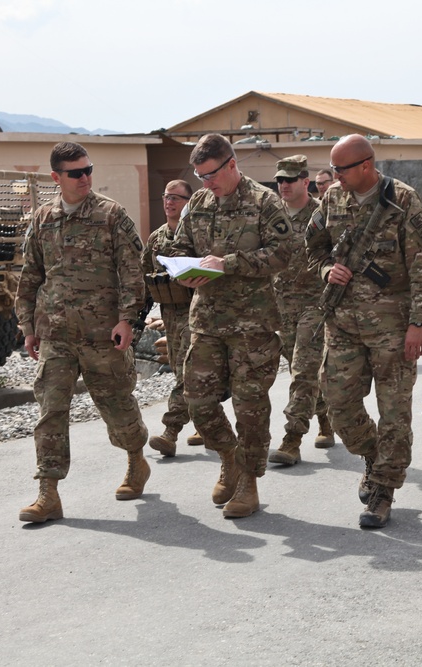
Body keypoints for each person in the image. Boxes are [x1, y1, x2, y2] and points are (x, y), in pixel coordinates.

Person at [305, 134, 422, 528]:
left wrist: (418, 324)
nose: (334, 177)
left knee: (394, 413)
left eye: (341, 169)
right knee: (338, 403)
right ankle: (374, 454)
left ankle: (382, 489)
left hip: (393, 328)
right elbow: (311, 248)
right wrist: (327, 269)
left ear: (366, 165)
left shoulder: (403, 201)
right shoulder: (331, 200)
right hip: (343, 323)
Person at [15, 141, 150, 523]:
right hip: (56, 335)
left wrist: (128, 319)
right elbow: (30, 276)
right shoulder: (43, 219)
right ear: (57, 178)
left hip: (102, 335)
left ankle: (136, 459)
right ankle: (48, 492)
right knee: (50, 411)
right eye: (76, 173)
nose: (86, 177)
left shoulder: (111, 215)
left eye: (89, 169)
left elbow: (132, 272)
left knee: (118, 409)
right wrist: (28, 326)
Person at [164, 133, 292, 518]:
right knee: (197, 400)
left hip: (251, 325)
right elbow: (177, 245)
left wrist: (230, 264)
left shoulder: (264, 202)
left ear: (232, 164)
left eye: (211, 175)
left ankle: (248, 482)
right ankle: (229, 457)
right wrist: (182, 270)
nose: (206, 184)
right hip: (206, 320)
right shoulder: (200, 202)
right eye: (200, 176)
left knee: (249, 406)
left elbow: (285, 253)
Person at [268, 156, 336, 466]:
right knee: (306, 371)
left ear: (304, 182)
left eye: (289, 180)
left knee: (304, 368)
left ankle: (292, 438)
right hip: (280, 306)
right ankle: (324, 416)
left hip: (315, 303)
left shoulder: (322, 213)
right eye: (279, 180)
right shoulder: (271, 214)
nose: (283, 185)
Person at [143, 180, 198, 457]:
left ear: (189, 202)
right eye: (166, 196)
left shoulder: (197, 235)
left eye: (177, 197)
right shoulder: (156, 239)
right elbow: (145, 280)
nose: (170, 202)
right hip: (169, 316)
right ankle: (205, 421)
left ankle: (171, 430)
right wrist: (134, 320)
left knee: (188, 374)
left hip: (196, 314)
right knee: (182, 372)